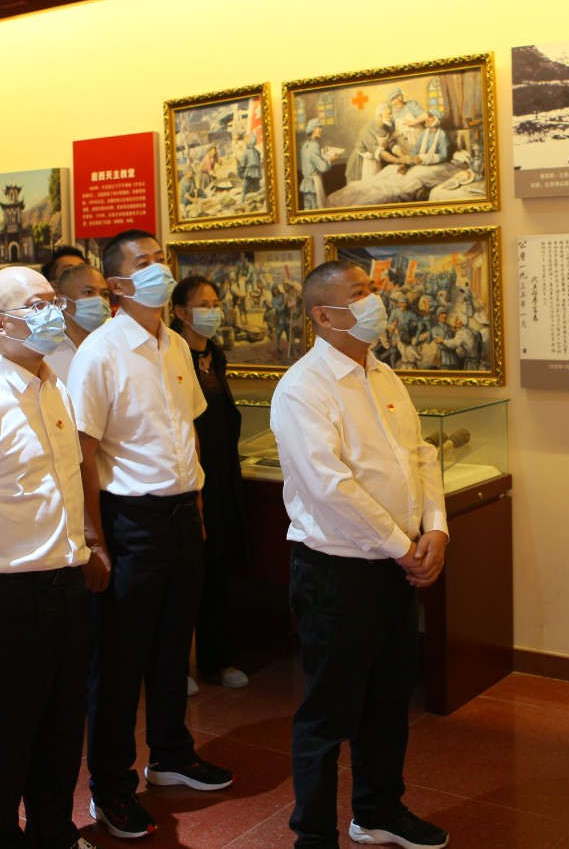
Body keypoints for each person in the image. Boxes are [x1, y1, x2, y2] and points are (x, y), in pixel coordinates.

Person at [269, 259, 450, 849]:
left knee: (389, 699)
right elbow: (331, 487)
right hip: (337, 574)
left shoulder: (383, 374)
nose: (376, 300)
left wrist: (436, 528)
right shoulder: (303, 388)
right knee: (328, 713)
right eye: (360, 293)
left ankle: (377, 811)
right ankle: (313, 834)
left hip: (394, 569)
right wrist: (404, 548)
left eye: (373, 289)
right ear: (324, 316)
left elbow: (421, 455)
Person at [67, 229, 233, 840]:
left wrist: (197, 502)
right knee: (118, 660)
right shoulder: (101, 352)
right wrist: (95, 539)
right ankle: (111, 785)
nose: (159, 269)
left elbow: (187, 431)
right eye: (144, 262)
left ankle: (171, 754)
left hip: (181, 512)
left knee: (171, 644)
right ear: (117, 283)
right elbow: (84, 452)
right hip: (129, 520)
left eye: (161, 258)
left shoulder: (176, 346)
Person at [0, 268, 96, 849]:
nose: (53, 313)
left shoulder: (54, 385)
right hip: (6, 596)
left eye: (54, 301)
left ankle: (53, 833)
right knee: (3, 737)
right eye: (36, 306)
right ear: (0, 322)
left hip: (65, 585)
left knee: (61, 729)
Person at [169, 276, 250, 690]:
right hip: (189, 477)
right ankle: (178, 667)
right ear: (181, 312)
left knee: (218, 571)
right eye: (204, 304)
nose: (213, 311)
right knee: (186, 577)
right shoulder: (173, 354)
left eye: (216, 303)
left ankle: (218, 659)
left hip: (221, 475)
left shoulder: (214, 355)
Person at [47, 261, 112, 383]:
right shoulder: (44, 352)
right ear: (61, 301)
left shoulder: (115, 347)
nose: (99, 300)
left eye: (105, 294)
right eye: (88, 292)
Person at [300, 122, 331, 210]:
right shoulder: (314, 145)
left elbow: (311, 161)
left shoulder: (305, 144)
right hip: (313, 185)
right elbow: (323, 167)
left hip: (306, 185)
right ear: (312, 129)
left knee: (308, 210)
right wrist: (331, 159)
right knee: (316, 211)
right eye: (319, 127)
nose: (321, 130)